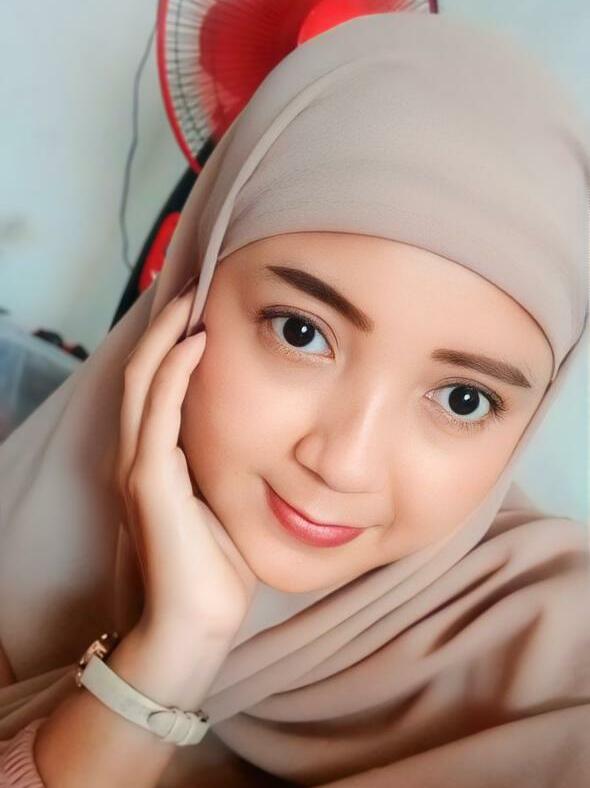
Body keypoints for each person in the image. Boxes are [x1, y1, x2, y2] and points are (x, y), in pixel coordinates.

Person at [1, 10, 589, 788]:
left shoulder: (557, 686)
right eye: (302, 332)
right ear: (190, 289)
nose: (344, 464)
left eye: (463, 399)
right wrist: (174, 649)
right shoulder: (31, 533)